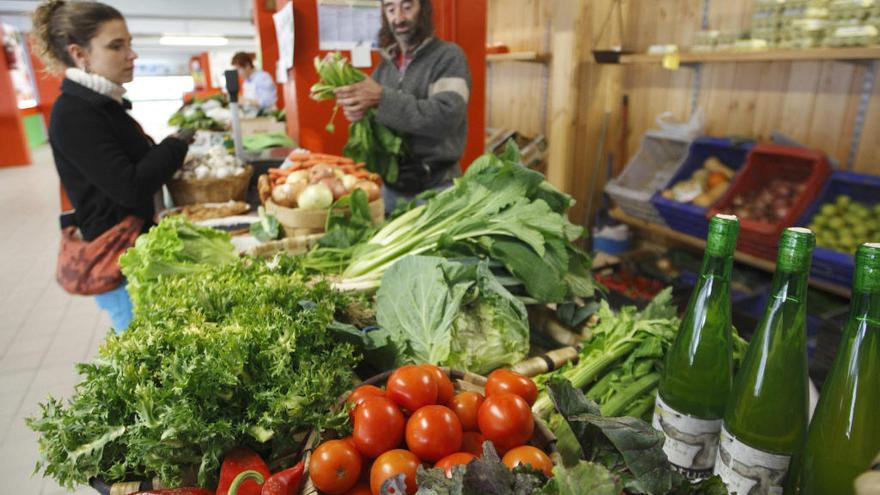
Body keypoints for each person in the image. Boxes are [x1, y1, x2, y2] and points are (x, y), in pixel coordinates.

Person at [32, 0, 193, 332]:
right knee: (145, 357)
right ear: (80, 54)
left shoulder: (104, 104)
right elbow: (129, 185)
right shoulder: (75, 113)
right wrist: (174, 145)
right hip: (119, 261)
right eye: (116, 46)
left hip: (134, 254)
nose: (131, 54)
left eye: (130, 43)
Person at [334, 0, 472, 213]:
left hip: (437, 189)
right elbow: (378, 116)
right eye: (390, 9)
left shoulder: (448, 56)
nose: (398, 18)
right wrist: (359, 111)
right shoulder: (385, 66)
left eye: (407, 7)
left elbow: (447, 116)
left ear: (424, 9)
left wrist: (381, 99)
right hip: (390, 190)